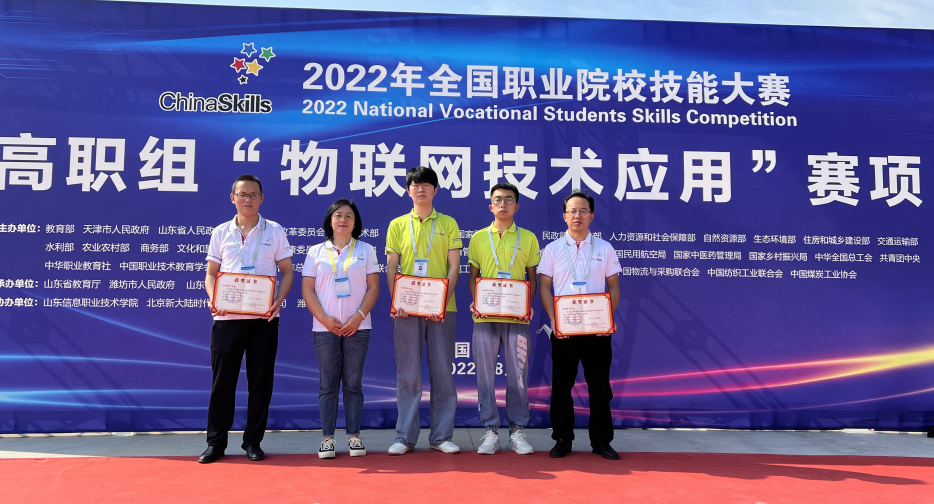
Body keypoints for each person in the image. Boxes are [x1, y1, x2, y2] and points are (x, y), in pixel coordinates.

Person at [200, 174, 294, 463]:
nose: (248, 199)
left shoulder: (274, 231)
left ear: (261, 198)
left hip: (263, 320)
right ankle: (216, 443)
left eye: (253, 194)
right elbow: (211, 274)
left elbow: (287, 271)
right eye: (242, 194)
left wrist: (278, 301)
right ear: (233, 198)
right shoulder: (220, 232)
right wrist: (214, 299)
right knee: (222, 383)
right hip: (227, 319)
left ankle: (253, 442)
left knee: (260, 383)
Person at [538, 189, 621, 460]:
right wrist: (553, 319)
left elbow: (614, 286)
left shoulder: (605, 248)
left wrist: (606, 319)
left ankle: (601, 441)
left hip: (597, 331)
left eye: (583, 211)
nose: (577, 215)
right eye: (572, 211)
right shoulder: (552, 249)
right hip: (564, 330)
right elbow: (545, 286)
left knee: (600, 387)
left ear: (591, 216)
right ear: (564, 216)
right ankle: (562, 438)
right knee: (562, 387)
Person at [385, 166, 463, 455]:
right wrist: (397, 302)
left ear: (435, 190)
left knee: (443, 372)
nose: (421, 189)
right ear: (408, 191)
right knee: (408, 374)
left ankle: (441, 436)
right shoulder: (397, 225)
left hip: (442, 309)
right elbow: (392, 267)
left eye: (426, 184)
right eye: (415, 185)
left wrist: (441, 301)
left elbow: (454, 266)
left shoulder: (449, 223)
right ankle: (404, 437)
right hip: (406, 311)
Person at [301, 199, 380, 459]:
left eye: (348, 216)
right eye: (338, 215)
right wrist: (324, 319)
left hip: (358, 326)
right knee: (328, 384)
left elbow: (373, 288)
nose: (343, 220)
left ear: (355, 222)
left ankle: (354, 436)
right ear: (330, 220)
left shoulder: (366, 250)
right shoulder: (316, 252)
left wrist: (358, 317)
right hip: (325, 329)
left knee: (353, 383)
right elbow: (307, 290)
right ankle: (327, 438)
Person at [467, 182, 540, 455]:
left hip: (517, 317)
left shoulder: (529, 238)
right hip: (484, 317)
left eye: (509, 200)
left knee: (518, 374)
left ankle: (517, 430)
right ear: (491, 206)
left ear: (517, 206)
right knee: (485, 375)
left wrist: (527, 304)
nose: (503, 204)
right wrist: (476, 300)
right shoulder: (478, 238)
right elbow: (473, 277)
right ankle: (490, 430)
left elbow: (532, 278)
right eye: (498, 200)